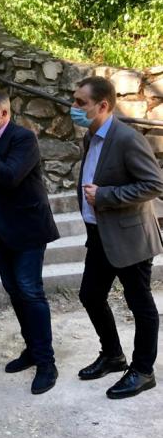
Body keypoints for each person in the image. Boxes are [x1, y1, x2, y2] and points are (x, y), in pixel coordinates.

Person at [71, 76, 163, 399]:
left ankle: (142, 370)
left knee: (141, 305)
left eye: (80, 103)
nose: (74, 108)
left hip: (130, 238)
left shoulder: (126, 138)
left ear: (103, 105)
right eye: (74, 101)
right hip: (99, 236)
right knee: (90, 295)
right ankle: (112, 354)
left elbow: (154, 184)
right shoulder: (90, 137)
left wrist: (106, 196)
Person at [0, 88, 60, 394]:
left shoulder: (22, 138)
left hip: (26, 228)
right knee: (14, 291)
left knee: (30, 290)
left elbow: (10, 176)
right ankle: (32, 349)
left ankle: (47, 362)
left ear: (4, 113)